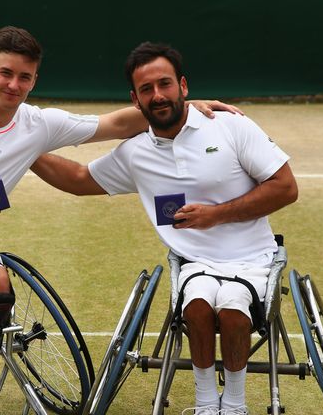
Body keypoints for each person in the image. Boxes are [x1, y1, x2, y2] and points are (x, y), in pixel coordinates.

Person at [0, 26, 239, 415]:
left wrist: (184, 104)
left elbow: (115, 124)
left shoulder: (37, 125)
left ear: (34, 80)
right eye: (6, 73)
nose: (14, 84)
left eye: (24, 77)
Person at [30, 42, 298, 415]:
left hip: (253, 259)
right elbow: (78, 178)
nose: (158, 95)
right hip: (194, 264)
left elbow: (286, 188)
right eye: (146, 89)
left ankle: (234, 405)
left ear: (183, 86)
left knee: (235, 306)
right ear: (135, 99)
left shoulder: (232, 127)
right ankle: (206, 403)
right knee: (199, 305)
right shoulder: (136, 152)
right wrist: (25, 149)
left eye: (165, 84)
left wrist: (215, 215)